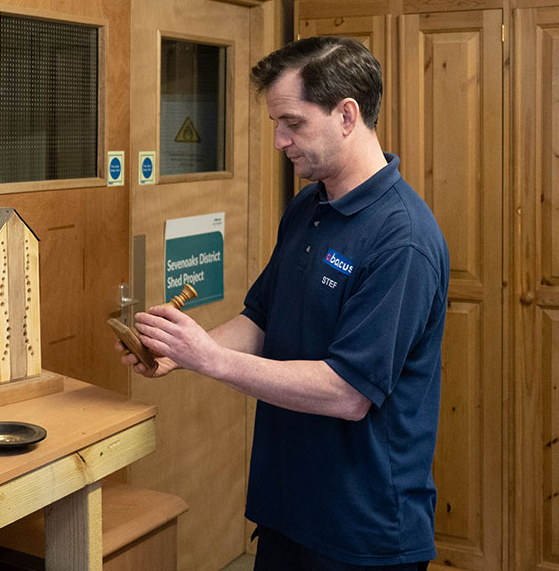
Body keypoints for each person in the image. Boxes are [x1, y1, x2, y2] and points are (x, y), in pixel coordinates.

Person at [120, 37, 449, 571]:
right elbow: (262, 319)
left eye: (293, 123)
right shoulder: (308, 206)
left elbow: (348, 394)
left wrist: (210, 358)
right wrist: (177, 352)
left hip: (362, 529)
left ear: (347, 115)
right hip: (288, 508)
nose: (279, 140)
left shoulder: (402, 239)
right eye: (276, 123)